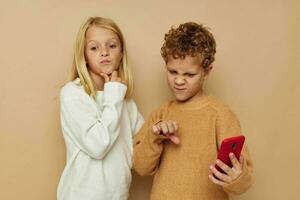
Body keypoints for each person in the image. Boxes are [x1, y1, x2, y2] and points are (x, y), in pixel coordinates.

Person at [133, 22, 253, 200]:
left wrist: (237, 177)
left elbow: (243, 178)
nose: (179, 81)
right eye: (173, 71)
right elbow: (141, 167)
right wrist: (154, 137)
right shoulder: (160, 115)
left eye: (189, 75)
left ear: (206, 72)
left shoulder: (220, 115)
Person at [57, 16, 144, 200]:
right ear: (84, 56)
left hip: (118, 195)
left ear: (121, 54)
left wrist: (160, 131)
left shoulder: (123, 99)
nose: (104, 52)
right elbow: (98, 145)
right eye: (94, 47)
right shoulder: (73, 94)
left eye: (112, 46)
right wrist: (114, 94)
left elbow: (142, 142)